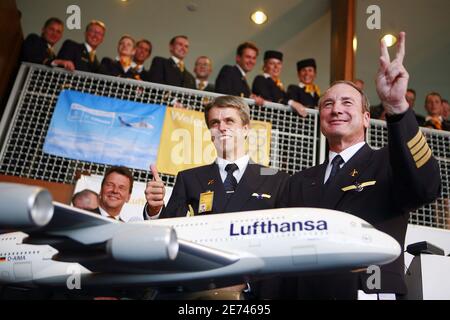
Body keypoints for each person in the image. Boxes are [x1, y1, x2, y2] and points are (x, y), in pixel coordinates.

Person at [278, 32, 441, 300]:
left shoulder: (388, 161)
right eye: (328, 104)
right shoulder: (298, 181)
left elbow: (427, 187)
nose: (336, 109)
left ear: (366, 118)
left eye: (347, 102)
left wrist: (397, 107)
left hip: (366, 292)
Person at [252, 50, 307, 117]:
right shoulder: (260, 79)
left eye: (279, 63)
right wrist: (291, 103)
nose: (276, 67)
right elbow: (271, 99)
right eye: (272, 63)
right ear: (265, 65)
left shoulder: (279, 84)